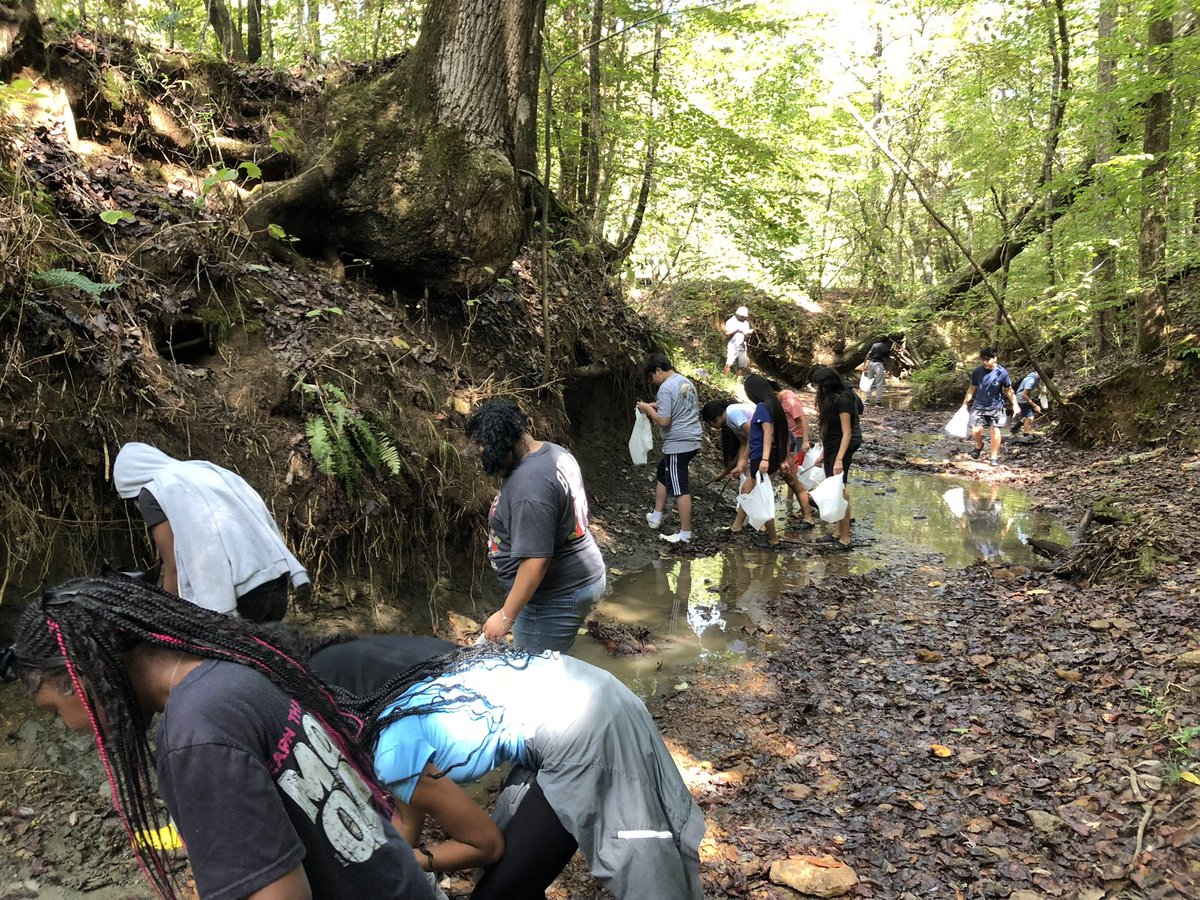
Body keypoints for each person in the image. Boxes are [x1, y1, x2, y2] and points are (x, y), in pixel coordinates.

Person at [5, 577, 435, 900]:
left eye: (55, 712)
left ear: (82, 676)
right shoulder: (232, 674)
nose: (71, 727)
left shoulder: (197, 732)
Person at [338, 641, 706, 900]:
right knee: (513, 878)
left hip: (585, 729)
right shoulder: (391, 715)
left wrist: (418, 861)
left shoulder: (392, 758)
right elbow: (408, 822)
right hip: (584, 690)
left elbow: (487, 845)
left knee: (638, 870)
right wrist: (391, 863)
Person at [463, 400, 606, 653]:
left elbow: (536, 561)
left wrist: (506, 616)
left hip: (554, 597)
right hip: (576, 579)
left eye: (490, 455)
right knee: (553, 666)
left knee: (535, 678)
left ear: (508, 447)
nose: (488, 465)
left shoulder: (529, 486)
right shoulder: (552, 451)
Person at [112, 442, 309, 622]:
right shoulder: (204, 470)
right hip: (275, 579)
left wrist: (167, 619)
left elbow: (173, 566)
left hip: (242, 596)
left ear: (131, 484)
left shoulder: (153, 491)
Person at [637, 353, 703, 544]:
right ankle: (656, 516)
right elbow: (678, 405)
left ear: (658, 370)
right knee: (662, 474)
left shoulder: (665, 388)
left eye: (652, 376)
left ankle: (685, 534)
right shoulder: (684, 382)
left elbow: (664, 421)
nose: (653, 380)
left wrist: (649, 410)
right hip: (692, 438)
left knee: (679, 487)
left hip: (678, 443)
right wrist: (654, 405)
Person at [726, 374, 790, 546]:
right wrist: (743, 460)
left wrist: (764, 459)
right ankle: (737, 525)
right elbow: (756, 435)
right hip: (767, 455)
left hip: (763, 456)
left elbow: (767, 434)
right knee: (748, 488)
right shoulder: (773, 405)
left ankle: (773, 538)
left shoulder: (763, 407)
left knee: (762, 497)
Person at [809, 367, 863, 551]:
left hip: (842, 446)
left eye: (818, 385)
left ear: (828, 384)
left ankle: (845, 538)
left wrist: (839, 459)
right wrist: (823, 454)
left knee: (840, 489)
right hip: (832, 445)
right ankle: (837, 532)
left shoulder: (844, 399)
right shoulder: (829, 399)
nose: (817, 389)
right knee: (834, 487)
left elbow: (847, 433)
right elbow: (827, 428)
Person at [961, 347, 1020, 466]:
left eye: (988, 359)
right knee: (976, 430)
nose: (985, 362)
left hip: (996, 406)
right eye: (983, 359)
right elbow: (972, 388)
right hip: (979, 405)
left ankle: (994, 457)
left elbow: (1008, 390)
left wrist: (1015, 405)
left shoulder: (1002, 373)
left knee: (995, 430)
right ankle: (979, 445)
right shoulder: (977, 372)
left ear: (995, 359)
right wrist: (964, 403)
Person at [776, 387, 817, 527]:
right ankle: (790, 501)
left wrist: (805, 441)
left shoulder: (790, 400)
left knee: (794, 471)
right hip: (788, 437)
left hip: (797, 438)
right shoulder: (781, 400)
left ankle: (807, 505)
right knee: (792, 469)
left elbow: (803, 418)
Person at [1011, 366, 1054, 437]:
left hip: (1023, 397)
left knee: (1028, 414)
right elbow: (1024, 395)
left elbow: (1037, 384)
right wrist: (1034, 405)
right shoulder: (1031, 380)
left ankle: (1015, 428)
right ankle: (1026, 433)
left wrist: (1041, 391)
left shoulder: (1035, 376)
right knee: (1030, 417)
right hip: (1021, 399)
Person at [722, 305, 753, 374]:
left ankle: (739, 379)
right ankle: (725, 376)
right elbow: (727, 333)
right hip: (732, 344)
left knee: (743, 364)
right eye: (742, 316)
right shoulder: (731, 321)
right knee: (729, 361)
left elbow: (746, 334)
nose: (743, 318)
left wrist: (746, 334)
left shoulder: (746, 323)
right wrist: (736, 330)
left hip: (742, 344)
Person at [862, 339, 891, 407]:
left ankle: (867, 400)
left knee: (869, 381)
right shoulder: (886, 348)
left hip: (871, 363)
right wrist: (885, 367)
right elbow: (886, 359)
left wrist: (865, 365)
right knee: (879, 383)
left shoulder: (875, 345)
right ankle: (878, 402)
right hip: (879, 364)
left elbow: (868, 354)